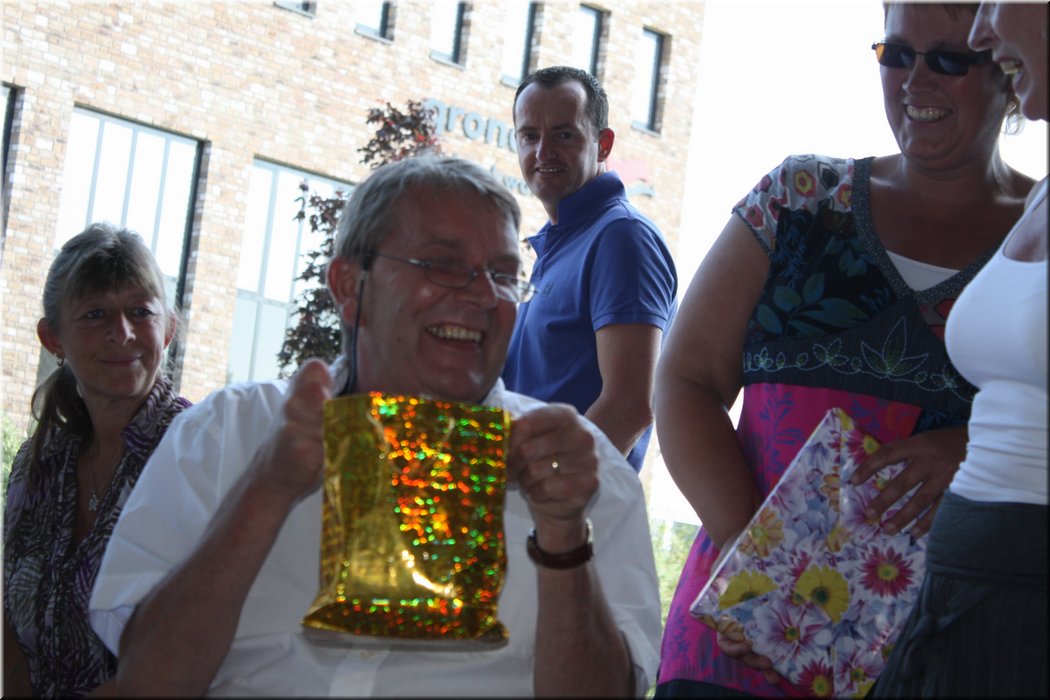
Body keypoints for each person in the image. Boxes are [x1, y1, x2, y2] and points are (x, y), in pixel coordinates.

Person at [88, 155, 662, 696]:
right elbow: (148, 681)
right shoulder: (228, 432)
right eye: (444, 265)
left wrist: (563, 537)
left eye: (504, 274)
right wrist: (267, 488)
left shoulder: (583, 470)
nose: (485, 296)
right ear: (348, 286)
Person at [653, 2, 1035, 696]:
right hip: (736, 638)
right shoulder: (799, 197)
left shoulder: (1038, 237)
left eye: (948, 59)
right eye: (896, 54)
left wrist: (975, 446)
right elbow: (684, 379)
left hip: (929, 651)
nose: (915, 80)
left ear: (1006, 69)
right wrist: (760, 566)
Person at [871, 3, 1047, 696]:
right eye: (896, 54)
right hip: (954, 592)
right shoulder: (1043, 198)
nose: (983, 31)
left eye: (997, 1)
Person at [2, 223, 191, 697]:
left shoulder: (198, 453)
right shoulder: (39, 462)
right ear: (52, 338)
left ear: (168, 328)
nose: (121, 333)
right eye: (95, 314)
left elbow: (202, 645)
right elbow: (9, 625)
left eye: (140, 311)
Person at [501, 66, 678, 473]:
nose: (542, 152)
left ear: (603, 144)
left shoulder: (622, 237)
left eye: (563, 135)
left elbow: (630, 405)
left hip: (566, 504)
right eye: (529, 136)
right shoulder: (561, 239)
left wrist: (537, 493)